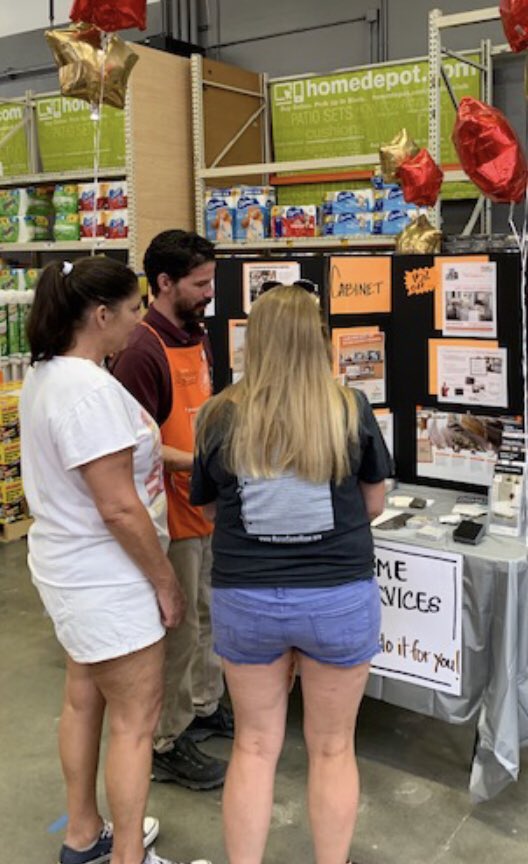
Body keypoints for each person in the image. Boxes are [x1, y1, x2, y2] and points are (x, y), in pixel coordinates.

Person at [190, 284, 392, 864]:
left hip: (245, 601)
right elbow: (373, 504)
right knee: (332, 749)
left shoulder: (218, 414)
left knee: (253, 748)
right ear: (317, 341)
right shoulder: (349, 408)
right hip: (337, 598)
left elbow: (208, 511)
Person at [20, 257, 210, 864]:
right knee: (136, 721)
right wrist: (166, 584)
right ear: (101, 315)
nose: (137, 322)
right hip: (109, 578)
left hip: (69, 570)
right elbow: (120, 508)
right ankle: (129, 856)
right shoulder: (91, 393)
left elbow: (121, 475)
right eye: (131, 311)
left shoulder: (49, 376)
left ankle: (83, 834)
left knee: (84, 699)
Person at [112, 230, 233, 790]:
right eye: (200, 283)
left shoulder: (195, 330)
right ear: (164, 283)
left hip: (206, 502)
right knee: (179, 627)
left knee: (209, 615)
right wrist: (199, 462)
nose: (211, 291)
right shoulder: (141, 351)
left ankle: (205, 705)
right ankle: (166, 737)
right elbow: (132, 444)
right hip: (172, 513)